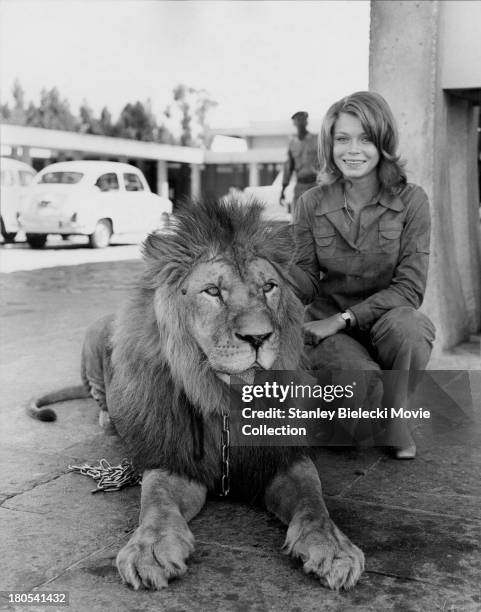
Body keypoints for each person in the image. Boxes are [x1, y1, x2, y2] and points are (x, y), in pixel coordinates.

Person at [290, 91, 436, 459]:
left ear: (383, 142)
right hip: (328, 329)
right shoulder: (310, 203)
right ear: (330, 143)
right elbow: (306, 280)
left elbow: (410, 288)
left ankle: (395, 414)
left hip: (386, 321)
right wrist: (272, 269)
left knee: (413, 329)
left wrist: (343, 320)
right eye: (342, 139)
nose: (353, 150)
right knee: (350, 435)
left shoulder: (412, 201)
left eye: (365, 138)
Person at [280, 111, 319, 215]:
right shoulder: (292, 143)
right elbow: (289, 167)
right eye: (298, 120)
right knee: (297, 217)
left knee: (316, 217)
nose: (301, 123)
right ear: (294, 123)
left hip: (315, 184)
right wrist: (283, 189)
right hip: (300, 185)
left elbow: (326, 162)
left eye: (303, 120)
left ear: (307, 122)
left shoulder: (317, 140)